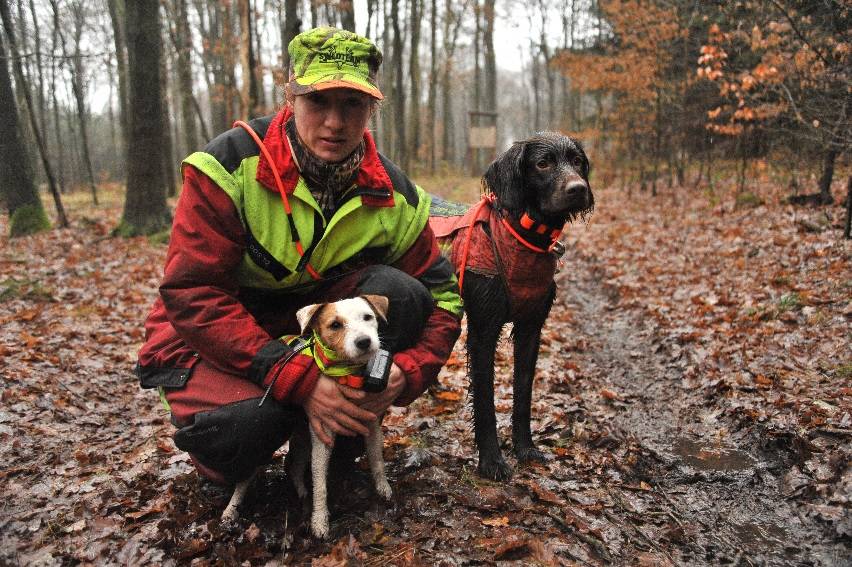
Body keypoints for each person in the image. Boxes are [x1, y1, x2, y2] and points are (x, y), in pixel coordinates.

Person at [135, 27, 463, 485]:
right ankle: (248, 433)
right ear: (290, 97)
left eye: (352, 104)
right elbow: (192, 292)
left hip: (318, 331)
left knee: (400, 294)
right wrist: (300, 380)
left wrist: (406, 373)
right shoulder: (227, 168)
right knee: (244, 430)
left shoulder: (394, 193)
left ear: (372, 108)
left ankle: (325, 454)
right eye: (318, 101)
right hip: (214, 340)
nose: (335, 122)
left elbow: (444, 297)